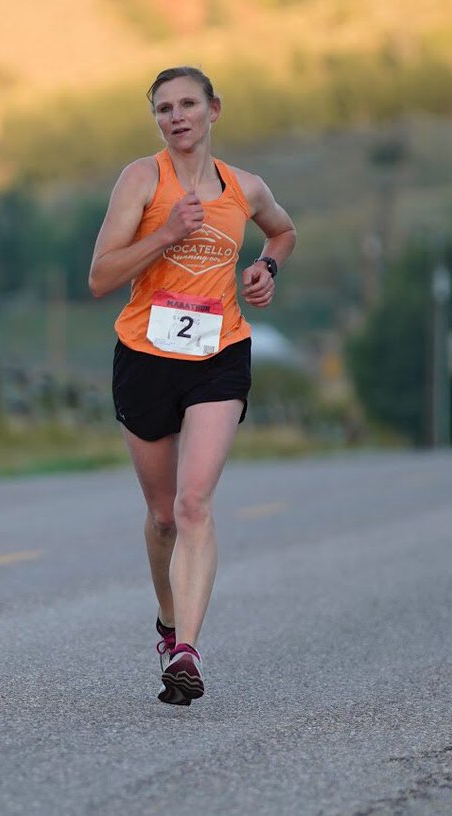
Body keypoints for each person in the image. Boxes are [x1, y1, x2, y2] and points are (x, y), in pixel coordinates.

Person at [88, 65, 296, 705]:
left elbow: (283, 232)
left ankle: (186, 654)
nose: (175, 116)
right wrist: (167, 233)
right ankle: (168, 619)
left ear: (213, 110)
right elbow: (99, 277)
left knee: (192, 504)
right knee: (161, 517)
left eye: (186, 104)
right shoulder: (141, 179)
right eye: (163, 109)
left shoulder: (246, 187)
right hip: (145, 354)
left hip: (219, 353)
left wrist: (264, 267)